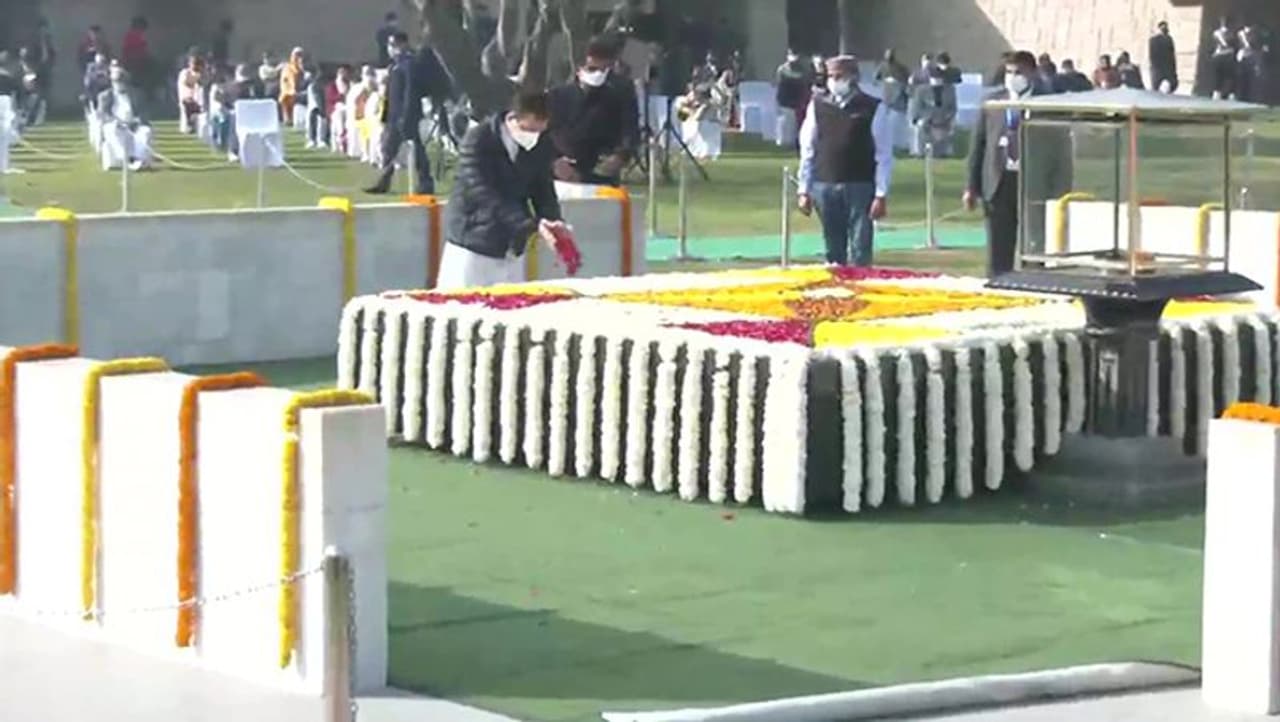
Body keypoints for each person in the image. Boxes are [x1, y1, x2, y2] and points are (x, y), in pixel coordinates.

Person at [436, 90, 570, 290]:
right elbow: (484, 192)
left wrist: (552, 220)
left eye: (540, 130)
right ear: (513, 118)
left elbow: (543, 188)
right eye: (529, 129)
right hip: (473, 242)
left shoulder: (541, 144)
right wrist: (528, 224)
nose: (534, 136)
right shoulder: (479, 139)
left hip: (511, 246)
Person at [964, 50, 1066, 278]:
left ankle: (1034, 282)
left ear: (1032, 73)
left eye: (1018, 72)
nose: (1013, 77)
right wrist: (971, 187)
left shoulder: (1048, 103)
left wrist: (1060, 189)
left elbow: (1060, 150)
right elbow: (978, 146)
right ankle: (998, 281)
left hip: (1033, 183)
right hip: (998, 182)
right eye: (1009, 72)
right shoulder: (992, 103)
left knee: (1034, 242)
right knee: (998, 245)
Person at [797, 55, 895, 267]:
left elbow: (884, 154)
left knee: (860, 248)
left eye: (839, 76)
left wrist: (881, 194)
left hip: (860, 186)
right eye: (830, 76)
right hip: (825, 184)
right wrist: (804, 189)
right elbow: (808, 148)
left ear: (853, 77)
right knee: (833, 249)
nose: (834, 81)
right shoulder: (817, 106)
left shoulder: (872, 107)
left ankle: (862, 284)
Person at [547, 37, 639, 187]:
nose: (598, 74)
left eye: (603, 69)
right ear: (579, 68)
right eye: (592, 69)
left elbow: (630, 129)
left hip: (601, 170)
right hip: (563, 171)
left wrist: (621, 156)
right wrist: (554, 161)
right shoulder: (557, 96)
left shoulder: (619, 94)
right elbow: (542, 133)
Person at [364, 32, 434, 194]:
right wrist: (386, 115)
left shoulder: (409, 64)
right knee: (389, 149)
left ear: (403, 44)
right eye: (389, 45)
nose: (390, 49)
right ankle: (384, 181)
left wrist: (406, 115)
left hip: (406, 115)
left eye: (393, 45)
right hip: (394, 116)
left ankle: (425, 182)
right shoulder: (395, 65)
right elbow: (390, 94)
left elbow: (410, 92)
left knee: (416, 149)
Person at [98, 65, 153, 171]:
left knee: (146, 131)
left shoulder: (137, 94)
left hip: (133, 125)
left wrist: (137, 121)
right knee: (110, 129)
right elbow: (103, 114)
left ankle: (137, 158)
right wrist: (116, 121)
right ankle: (125, 159)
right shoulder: (105, 96)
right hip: (116, 125)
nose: (119, 84)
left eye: (121, 81)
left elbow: (143, 113)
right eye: (116, 81)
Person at [909, 64, 957, 158]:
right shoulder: (921, 90)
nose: (936, 81)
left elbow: (953, 108)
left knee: (951, 127)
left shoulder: (950, 90)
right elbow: (917, 107)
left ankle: (944, 152)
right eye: (934, 79)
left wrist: (948, 118)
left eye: (939, 79)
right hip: (926, 119)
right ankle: (920, 152)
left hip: (944, 119)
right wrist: (921, 118)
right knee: (920, 127)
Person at [775, 49, 813, 144]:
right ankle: (784, 141)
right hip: (786, 101)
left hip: (797, 102)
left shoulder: (802, 70)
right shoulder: (783, 70)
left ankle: (790, 141)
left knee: (793, 124)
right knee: (786, 123)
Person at [121, 16, 151, 99]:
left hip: (138, 63)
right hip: (134, 65)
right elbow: (132, 53)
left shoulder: (137, 36)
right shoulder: (132, 37)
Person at [176, 54, 205, 134]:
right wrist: (198, 77)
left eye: (197, 64)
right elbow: (188, 83)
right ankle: (190, 124)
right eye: (194, 63)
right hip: (187, 100)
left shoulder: (201, 73)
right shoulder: (185, 73)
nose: (195, 66)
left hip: (199, 101)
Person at [1212, 17, 1238, 99]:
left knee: (1221, 75)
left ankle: (1218, 92)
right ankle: (1227, 93)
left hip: (1220, 55)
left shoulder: (1217, 33)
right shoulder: (1231, 33)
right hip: (1227, 54)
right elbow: (1228, 44)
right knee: (1228, 75)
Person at [1149, 21, 1178, 93]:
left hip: (1162, 67)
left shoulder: (1167, 39)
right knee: (1166, 85)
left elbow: (1171, 54)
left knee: (1158, 87)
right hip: (1163, 67)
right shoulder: (1164, 39)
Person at [279, 47, 305, 123]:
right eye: (297, 54)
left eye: (300, 54)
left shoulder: (301, 66)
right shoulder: (288, 67)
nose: (298, 56)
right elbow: (290, 79)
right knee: (287, 114)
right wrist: (293, 90)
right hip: (288, 92)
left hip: (297, 93)